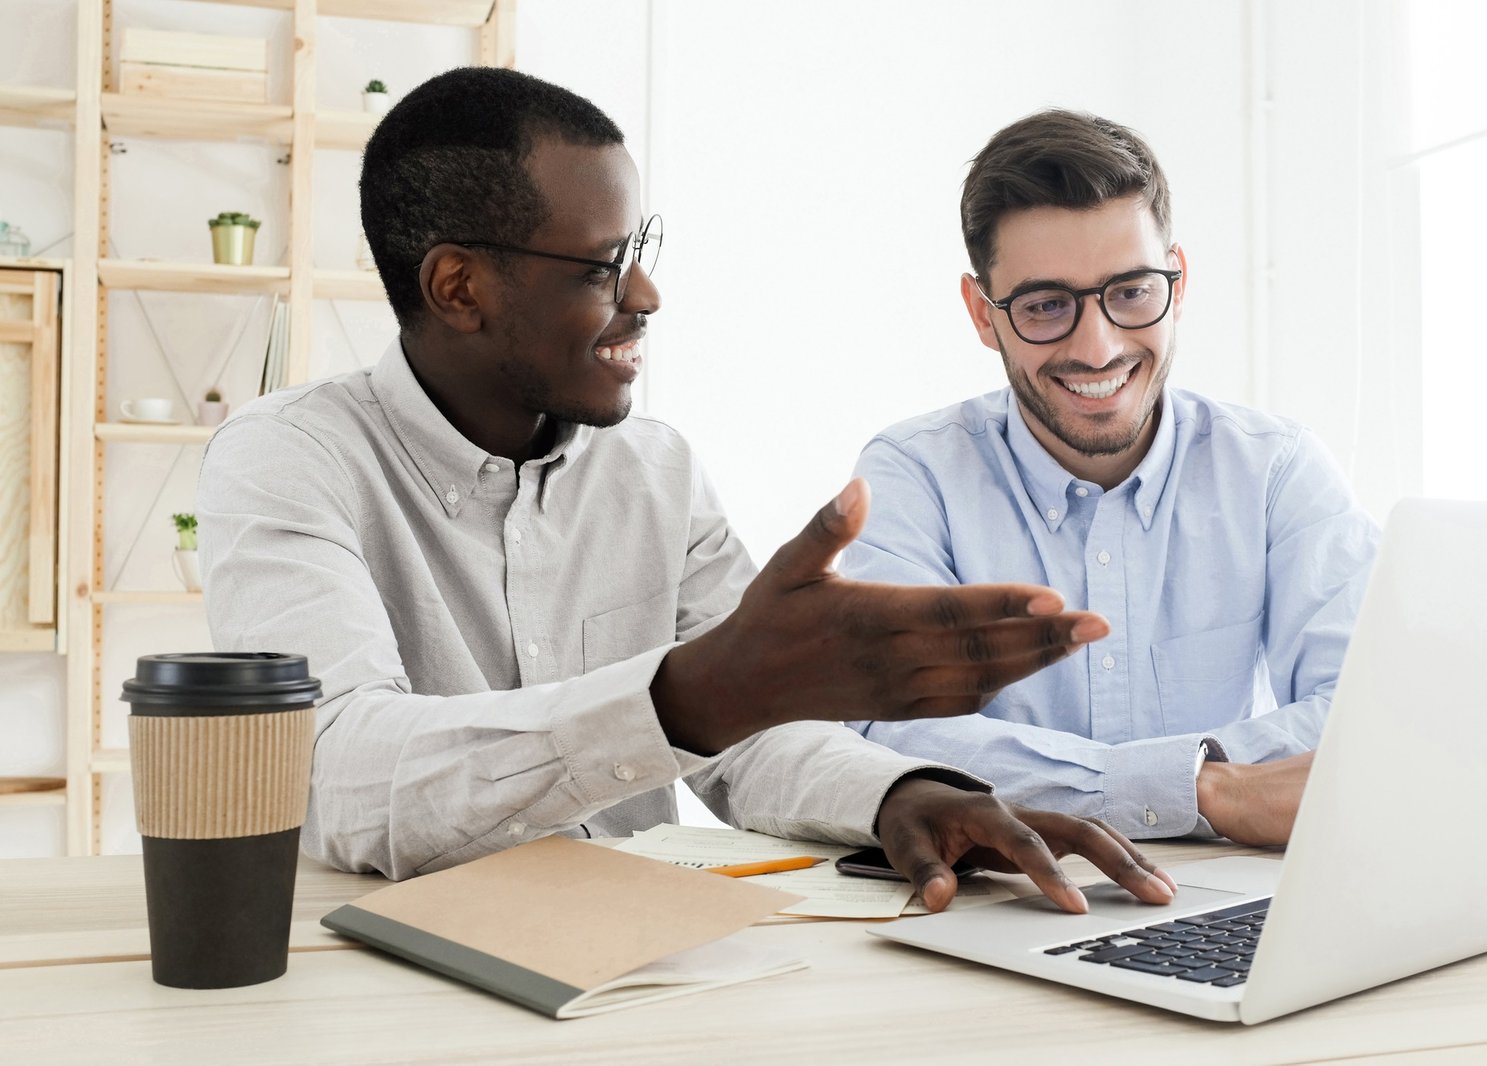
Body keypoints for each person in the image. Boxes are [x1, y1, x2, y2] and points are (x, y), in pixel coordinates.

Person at [195, 68, 1178, 914]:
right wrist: (683, 696)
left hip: (638, 961)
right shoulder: (288, 458)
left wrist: (903, 794)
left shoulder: (653, 470)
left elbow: (750, 740)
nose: (648, 296)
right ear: (459, 289)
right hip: (387, 983)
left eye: (643, 248)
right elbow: (344, 773)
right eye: (603, 265)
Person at [838, 110, 1380, 846]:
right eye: (1045, 306)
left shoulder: (1276, 470)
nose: (1097, 349)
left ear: (1177, 283)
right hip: (1002, 900)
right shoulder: (915, 477)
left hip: (1228, 896)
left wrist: (1123, 787)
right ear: (982, 314)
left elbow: (1364, 719)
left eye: (1130, 291)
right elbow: (887, 732)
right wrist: (1205, 789)